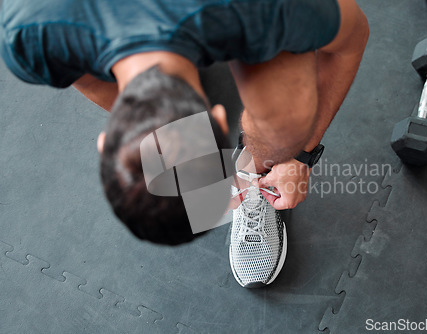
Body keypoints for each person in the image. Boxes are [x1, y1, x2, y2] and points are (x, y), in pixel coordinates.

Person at [0, 0, 369, 288]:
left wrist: (296, 154)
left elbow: (349, 44)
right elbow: (95, 83)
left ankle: (260, 166)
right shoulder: (32, 37)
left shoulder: (268, 11)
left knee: (285, 121)